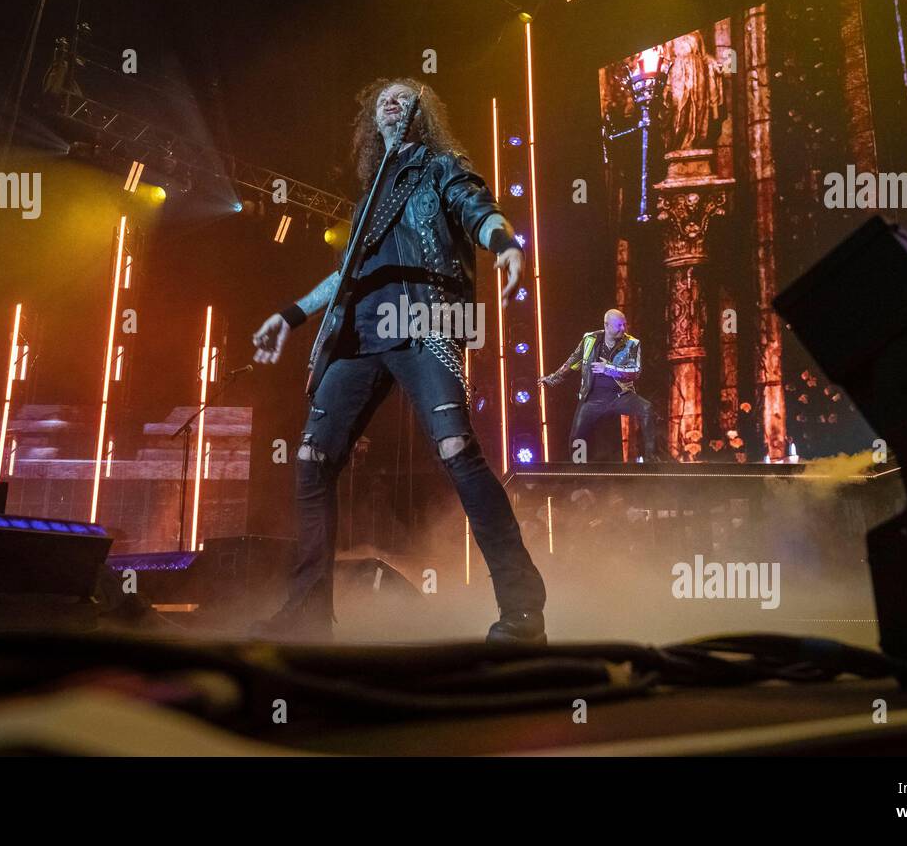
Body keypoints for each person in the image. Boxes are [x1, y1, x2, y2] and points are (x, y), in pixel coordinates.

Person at [249, 78, 547, 645]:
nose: (391, 98)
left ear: (420, 112)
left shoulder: (440, 165)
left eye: (405, 94)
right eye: (382, 94)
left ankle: (523, 609)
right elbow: (344, 278)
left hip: (426, 318)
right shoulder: (368, 200)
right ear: (371, 119)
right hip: (360, 334)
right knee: (312, 458)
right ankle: (308, 614)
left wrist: (505, 243)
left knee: (457, 449)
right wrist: (288, 316)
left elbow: (474, 208)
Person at [539, 309, 659, 462]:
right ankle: (579, 469)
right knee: (577, 437)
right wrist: (552, 378)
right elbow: (573, 362)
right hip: (592, 398)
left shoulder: (632, 343)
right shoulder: (590, 339)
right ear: (607, 325)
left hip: (619, 396)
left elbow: (635, 371)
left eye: (624, 325)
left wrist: (608, 368)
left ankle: (651, 459)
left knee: (646, 408)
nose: (623, 329)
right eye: (619, 326)